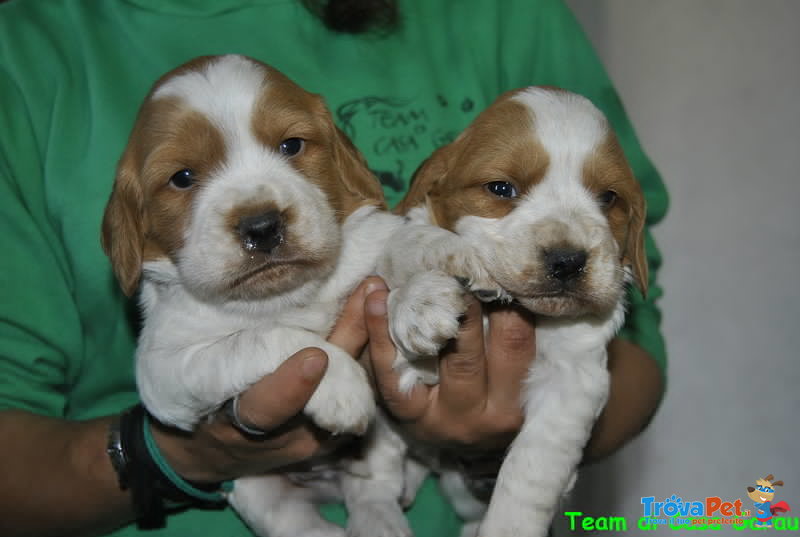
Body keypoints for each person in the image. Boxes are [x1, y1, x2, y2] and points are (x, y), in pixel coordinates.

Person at [0, 0, 668, 536]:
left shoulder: (510, 16)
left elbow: (636, 341)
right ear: (131, 224)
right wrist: (191, 455)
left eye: (293, 146)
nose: (259, 212)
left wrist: (494, 445)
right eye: (182, 177)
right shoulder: (27, 50)